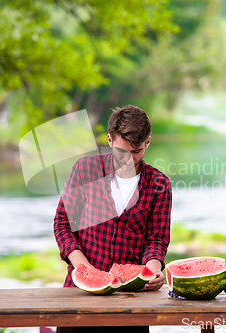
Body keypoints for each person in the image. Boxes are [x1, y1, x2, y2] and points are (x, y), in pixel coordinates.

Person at [54, 105, 172, 333]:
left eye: (136, 151)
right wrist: (84, 269)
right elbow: (62, 224)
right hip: (78, 299)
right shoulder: (84, 170)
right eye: (121, 151)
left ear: (148, 143)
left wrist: (153, 270)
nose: (128, 159)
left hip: (131, 303)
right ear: (109, 140)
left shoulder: (159, 184)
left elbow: (156, 240)